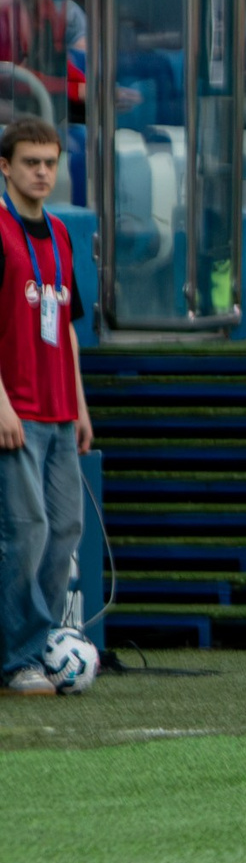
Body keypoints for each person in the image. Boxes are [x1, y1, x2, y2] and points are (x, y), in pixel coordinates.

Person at [0, 121, 89, 695]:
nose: (42, 172)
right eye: (30, 161)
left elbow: (69, 327)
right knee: (24, 531)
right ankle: (18, 657)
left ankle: (47, 639)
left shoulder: (59, 233)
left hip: (59, 409)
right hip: (17, 409)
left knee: (66, 528)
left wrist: (79, 403)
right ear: (4, 166)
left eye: (50, 162)